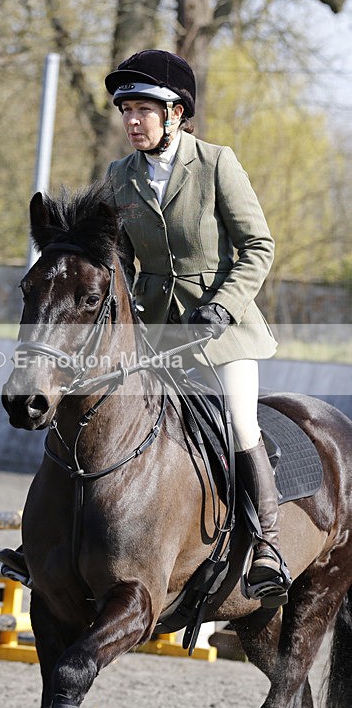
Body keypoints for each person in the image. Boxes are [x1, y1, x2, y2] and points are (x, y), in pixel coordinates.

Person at [103, 49, 291, 607]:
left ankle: (267, 547)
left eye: (143, 110)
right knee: (96, 410)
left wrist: (223, 304)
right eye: (126, 110)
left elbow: (260, 246)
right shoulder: (120, 176)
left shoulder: (215, 164)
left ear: (177, 113)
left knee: (239, 426)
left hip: (223, 329)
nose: (132, 121)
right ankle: (56, 538)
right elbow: (120, 261)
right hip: (156, 332)